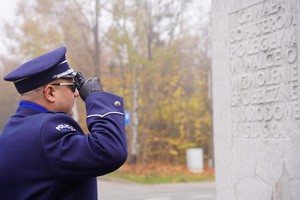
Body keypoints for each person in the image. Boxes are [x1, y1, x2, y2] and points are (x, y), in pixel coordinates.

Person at [0, 46, 128, 200]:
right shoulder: (48, 129)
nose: (76, 93)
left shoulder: (9, 131)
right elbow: (109, 150)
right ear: (50, 93)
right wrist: (97, 99)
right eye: (72, 86)